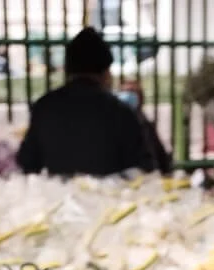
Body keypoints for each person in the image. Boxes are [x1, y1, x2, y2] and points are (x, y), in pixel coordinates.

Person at [16, 27, 170, 179]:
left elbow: (27, 163)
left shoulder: (44, 107)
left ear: (68, 71)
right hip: (113, 200)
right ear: (105, 72)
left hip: (59, 199)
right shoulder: (121, 111)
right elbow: (147, 171)